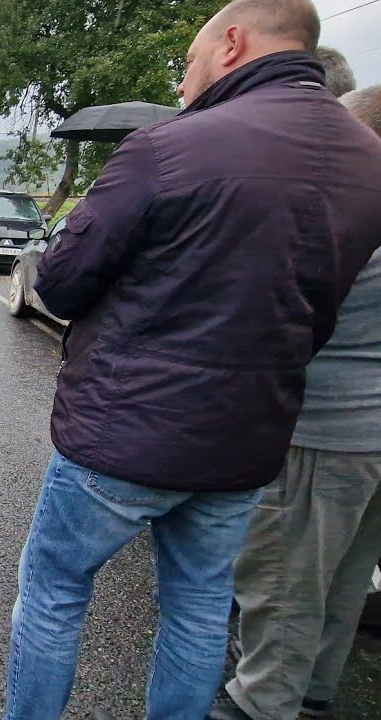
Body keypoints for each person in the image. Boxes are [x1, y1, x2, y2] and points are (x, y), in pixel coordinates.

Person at [1, 1, 381, 718]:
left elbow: (59, 280)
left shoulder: (172, 146)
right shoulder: (368, 160)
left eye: (189, 63)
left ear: (232, 43)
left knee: (54, 590)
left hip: (125, 431)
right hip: (249, 440)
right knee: (201, 608)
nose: (183, 84)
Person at [212, 84, 381, 720]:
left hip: (324, 431)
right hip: (374, 434)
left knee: (286, 582)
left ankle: (260, 703)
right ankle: (314, 691)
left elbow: (276, 315)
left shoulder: (345, 214)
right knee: (346, 575)